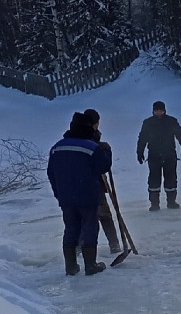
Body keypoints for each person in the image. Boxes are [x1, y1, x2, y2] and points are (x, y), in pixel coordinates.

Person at [47, 110, 112, 276]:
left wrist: (58, 193)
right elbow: (103, 166)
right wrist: (106, 150)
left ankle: (71, 266)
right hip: (87, 196)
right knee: (90, 227)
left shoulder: (57, 147)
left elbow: (51, 173)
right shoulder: (90, 147)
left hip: (66, 198)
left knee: (71, 228)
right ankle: (90, 265)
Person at [136, 100, 181, 211]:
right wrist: (139, 152)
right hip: (154, 156)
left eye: (161, 110)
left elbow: (180, 134)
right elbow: (142, 138)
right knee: (154, 180)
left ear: (164, 110)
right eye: (156, 111)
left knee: (171, 179)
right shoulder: (148, 123)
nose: (159, 113)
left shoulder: (171, 121)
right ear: (153, 111)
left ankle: (171, 201)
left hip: (169, 155)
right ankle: (154, 203)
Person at [84, 108, 121, 254]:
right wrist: (102, 148)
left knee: (98, 214)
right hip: (90, 180)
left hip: (90, 180)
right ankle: (113, 244)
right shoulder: (84, 134)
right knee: (97, 214)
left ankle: (114, 244)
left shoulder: (84, 132)